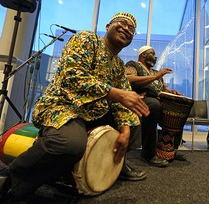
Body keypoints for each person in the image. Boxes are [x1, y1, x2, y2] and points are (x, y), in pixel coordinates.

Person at [0, 12, 150, 202]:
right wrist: (115, 93)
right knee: (69, 144)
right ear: (108, 26)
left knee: (134, 121)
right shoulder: (86, 39)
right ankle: (8, 179)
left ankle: (116, 165)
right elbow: (73, 76)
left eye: (131, 29)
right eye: (122, 23)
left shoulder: (119, 65)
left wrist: (126, 130)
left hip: (94, 111)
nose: (127, 28)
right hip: (63, 105)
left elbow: (123, 98)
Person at [125, 45, 187, 167]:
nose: (155, 57)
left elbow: (163, 88)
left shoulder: (154, 72)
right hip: (141, 99)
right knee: (154, 105)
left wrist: (171, 92)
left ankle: (168, 149)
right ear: (143, 54)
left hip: (157, 100)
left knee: (178, 107)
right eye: (152, 54)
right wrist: (155, 76)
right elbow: (129, 79)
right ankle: (148, 153)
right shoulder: (133, 65)